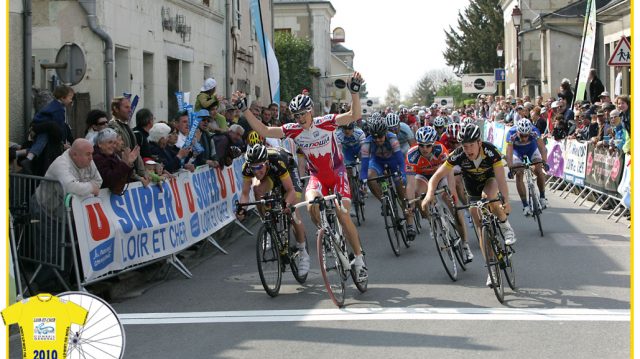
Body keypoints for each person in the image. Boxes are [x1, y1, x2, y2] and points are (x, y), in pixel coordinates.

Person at [232, 71, 367, 281]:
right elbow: (265, 131)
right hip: (317, 177)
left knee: (342, 213)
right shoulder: (293, 130)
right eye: (296, 115)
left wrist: (354, 93)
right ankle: (328, 236)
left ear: (311, 111)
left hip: (338, 173)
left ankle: (359, 259)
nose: (300, 118)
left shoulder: (326, 122)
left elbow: (354, 116)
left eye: (303, 113)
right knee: (311, 204)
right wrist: (245, 111)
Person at [422, 124, 515, 287]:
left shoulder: (490, 151)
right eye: (464, 146)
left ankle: (505, 225)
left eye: (471, 145)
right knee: (479, 225)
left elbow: (501, 179)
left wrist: (506, 201)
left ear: (479, 142)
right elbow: (436, 177)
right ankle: (491, 269)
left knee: (489, 196)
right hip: (472, 188)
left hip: (490, 180)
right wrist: (429, 194)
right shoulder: (458, 155)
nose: (468, 150)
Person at [236, 144, 310, 276]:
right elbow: (245, 193)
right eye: (253, 168)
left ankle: (303, 252)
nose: (256, 172)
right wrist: (242, 209)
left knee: (293, 214)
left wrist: (286, 205)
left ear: (266, 162)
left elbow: (290, 191)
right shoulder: (247, 168)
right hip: (271, 174)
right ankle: (268, 225)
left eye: (259, 167)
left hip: (288, 171)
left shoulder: (277, 161)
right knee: (257, 190)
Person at [405, 127, 472, 258]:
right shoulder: (411, 155)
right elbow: (410, 184)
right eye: (421, 145)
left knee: (455, 210)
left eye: (428, 145)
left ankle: (465, 244)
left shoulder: (440, 149)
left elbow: (450, 173)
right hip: (423, 177)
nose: (425, 149)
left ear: (434, 143)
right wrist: (410, 205)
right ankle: (433, 221)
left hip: (440, 176)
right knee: (418, 194)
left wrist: (453, 193)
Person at [21, 85, 76, 176]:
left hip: (39, 126)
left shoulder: (55, 106)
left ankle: (28, 159)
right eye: (70, 98)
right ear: (63, 98)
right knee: (41, 141)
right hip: (41, 128)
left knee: (40, 143)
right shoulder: (58, 110)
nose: (71, 100)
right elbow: (59, 127)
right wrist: (61, 141)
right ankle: (28, 159)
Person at [361, 118, 407, 222]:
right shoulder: (367, 142)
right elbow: (364, 163)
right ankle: (384, 201)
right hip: (377, 162)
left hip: (393, 162)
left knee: (400, 188)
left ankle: (407, 218)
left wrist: (403, 174)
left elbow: (400, 160)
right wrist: (363, 179)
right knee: (369, 177)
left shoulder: (392, 139)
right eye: (374, 137)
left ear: (385, 133)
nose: (377, 140)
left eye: (380, 137)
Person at [505, 119, 548, 216]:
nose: (524, 138)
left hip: (531, 149)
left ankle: (542, 197)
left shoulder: (534, 131)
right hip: (517, 152)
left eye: (526, 136)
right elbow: (509, 153)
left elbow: (542, 148)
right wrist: (510, 167)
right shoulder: (511, 133)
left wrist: (545, 162)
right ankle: (525, 205)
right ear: (518, 132)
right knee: (519, 173)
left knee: (539, 169)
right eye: (522, 135)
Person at [108, 96, 150, 186]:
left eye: (130, 107)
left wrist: (143, 174)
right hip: (125, 180)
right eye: (126, 107)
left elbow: (136, 153)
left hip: (134, 179)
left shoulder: (127, 127)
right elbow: (121, 155)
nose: (130, 110)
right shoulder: (112, 127)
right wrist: (136, 177)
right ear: (116, 109)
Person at [92, 128, 137, 195]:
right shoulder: (96, 158)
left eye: (115, 143)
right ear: (99, 144)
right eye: (110, 142)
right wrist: (124, 164)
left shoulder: (113, 156)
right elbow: (109, 179)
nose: (114, 146)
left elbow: (125, 178)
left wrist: (128, 163)